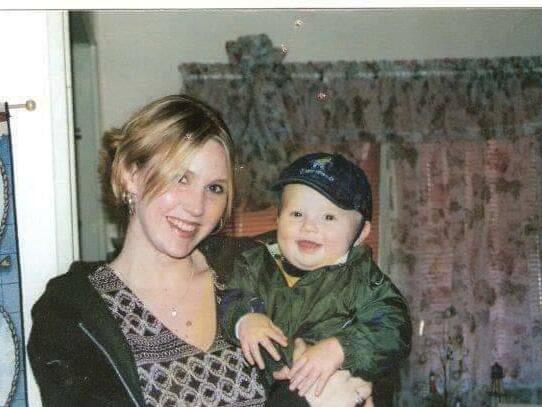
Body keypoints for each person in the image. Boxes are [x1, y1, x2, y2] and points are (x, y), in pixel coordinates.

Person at [27, 95, 268, 406]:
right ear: (131, 175)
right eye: (181, 178)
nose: (197, 207)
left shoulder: (249, 270)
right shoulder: (69, 313)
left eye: (214, 188)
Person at [219, 153, 412, 406]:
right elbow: (232, 296)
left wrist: (340, 348)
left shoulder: (361, 278)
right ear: (277, 218)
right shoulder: (254, 262)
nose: (309, 227)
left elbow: (394, 327)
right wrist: (245, 319)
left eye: (328, 217)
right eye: (297, 214)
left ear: (360, 233)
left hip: (337, 391)